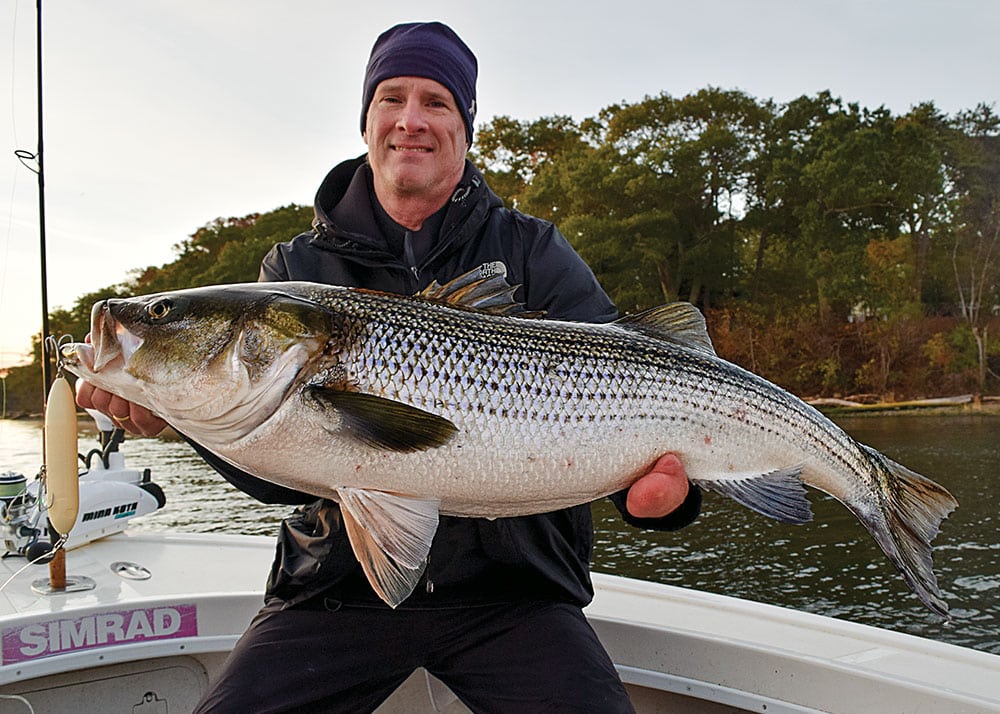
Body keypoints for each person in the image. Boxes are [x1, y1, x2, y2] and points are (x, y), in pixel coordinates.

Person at [78, 21, 701, 713]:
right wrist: (181, 422)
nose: (411, 120)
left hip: (518, 598)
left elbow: (627, 400)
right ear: (367, 121)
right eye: (391, 99)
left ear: (465, 126)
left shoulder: (533, 251)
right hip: (332, 594)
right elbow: (280, 479)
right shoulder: (293, 273)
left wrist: (664, 504)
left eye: (436, 101)